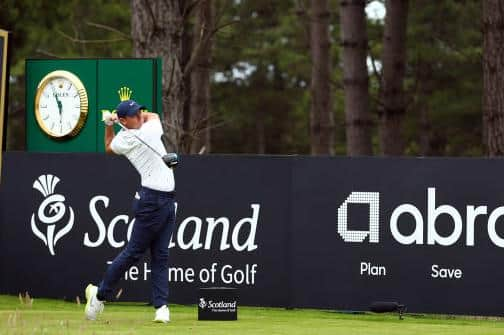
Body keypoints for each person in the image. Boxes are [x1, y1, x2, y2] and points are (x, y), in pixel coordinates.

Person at [84, 100, 176, 323]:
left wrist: (108, 124)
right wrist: (116, 121)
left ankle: (161, 308)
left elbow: (108, 145)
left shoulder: (125, 138)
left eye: (139, 111)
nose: (140, 115)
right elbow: (153, 116)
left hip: (166, 200)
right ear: (126, 120)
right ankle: (99, 296)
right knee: (133, 253)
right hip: (151, 201)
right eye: (135, 114)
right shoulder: (146, 131)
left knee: (161, 256)